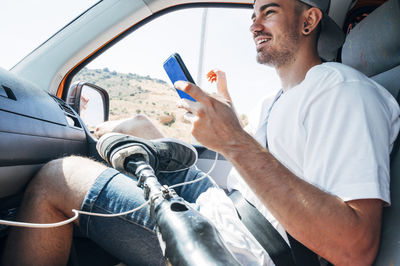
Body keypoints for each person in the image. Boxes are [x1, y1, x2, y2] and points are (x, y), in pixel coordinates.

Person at [3, 0, 400, 264]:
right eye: (252, 14)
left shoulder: (342, 90)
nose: (254, 25)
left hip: (250, 247)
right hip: (228, 205)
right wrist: (224, 125)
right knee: (134, 131)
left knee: (57, 177)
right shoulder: (277, 99)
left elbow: (355, 247)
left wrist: (234, 139)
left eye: (270, 12)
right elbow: (266, 172)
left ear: (309, 20)